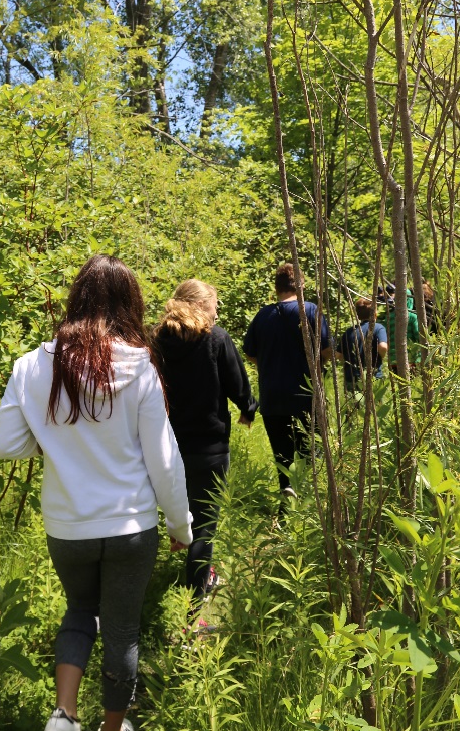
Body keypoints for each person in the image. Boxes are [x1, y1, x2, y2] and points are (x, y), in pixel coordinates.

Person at [0, 254, 192, 731]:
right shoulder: (139, 365)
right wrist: (180, 526)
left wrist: (55, 440)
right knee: (122, 630)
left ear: (76, 299)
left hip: (68, 525)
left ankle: (64, 715)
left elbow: (5, 444)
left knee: (80, 611)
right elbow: (164, 459)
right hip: (130, 526)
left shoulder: (34, 365)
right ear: (130, 304)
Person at [153, 279, 257, 617]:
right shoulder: (216, 338)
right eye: (214, 304)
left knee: (177, 512)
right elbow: (237, 382)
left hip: (165, 445)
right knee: (205, 524)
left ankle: (190, 576)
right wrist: (249, 408)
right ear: (201, 304)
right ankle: (194, 608)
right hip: (209, 446)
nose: (217, 311)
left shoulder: (157, 341)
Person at [243, 263, 330, 498]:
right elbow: (326, 350)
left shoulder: (263, 315)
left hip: (272, 396)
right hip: (305, 395)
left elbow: (250, 352)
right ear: (301, 285)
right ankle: (310, 499)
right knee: (312, 452)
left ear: (276, 287)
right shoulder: (311, 311)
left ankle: (286, 495)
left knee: (282, 454)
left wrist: (269, 365)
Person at [337, 296, 388, 392]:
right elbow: (383, 347)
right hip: (373, 377)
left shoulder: (349, 331)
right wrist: (382, 355)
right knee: (375, 405)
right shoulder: (378, 328)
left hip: (351, 378)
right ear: (375, 314)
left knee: (353, 406)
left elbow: (338, 355)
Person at [385, 286, 420, 374]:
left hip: (393, 360)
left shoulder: (389, 317)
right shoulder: (412, 316)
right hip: (411, 360)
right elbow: (419, 336)